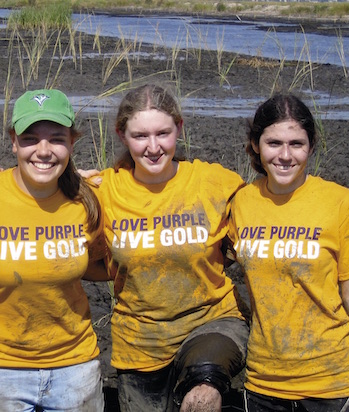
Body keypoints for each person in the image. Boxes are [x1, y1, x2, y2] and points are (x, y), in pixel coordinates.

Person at [90, 84, 249, 412]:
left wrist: (324, 202)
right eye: (140, 136)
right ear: (122, 135)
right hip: (139, 342)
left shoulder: (214, 183)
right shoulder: (104, 191)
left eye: (163, 133)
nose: (153, 147)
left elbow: (270, 207)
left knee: (201, 398)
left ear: (179, 128)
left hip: (212, 322)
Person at [228, 93, 349, 411]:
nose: (285, 155)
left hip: (333, 385)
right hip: (262, 383)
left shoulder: (340, 203)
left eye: (296, 144)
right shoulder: (241, 202)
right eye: (273, 143)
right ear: (256, 146)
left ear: (311, 146)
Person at [0, 88, 106, 411]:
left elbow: (102, 264)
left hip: (74, 367)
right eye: (31, 138)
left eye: (57, 139)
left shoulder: (89, 198)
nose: (44, 150)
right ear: (13, 141)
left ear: (72, 143)